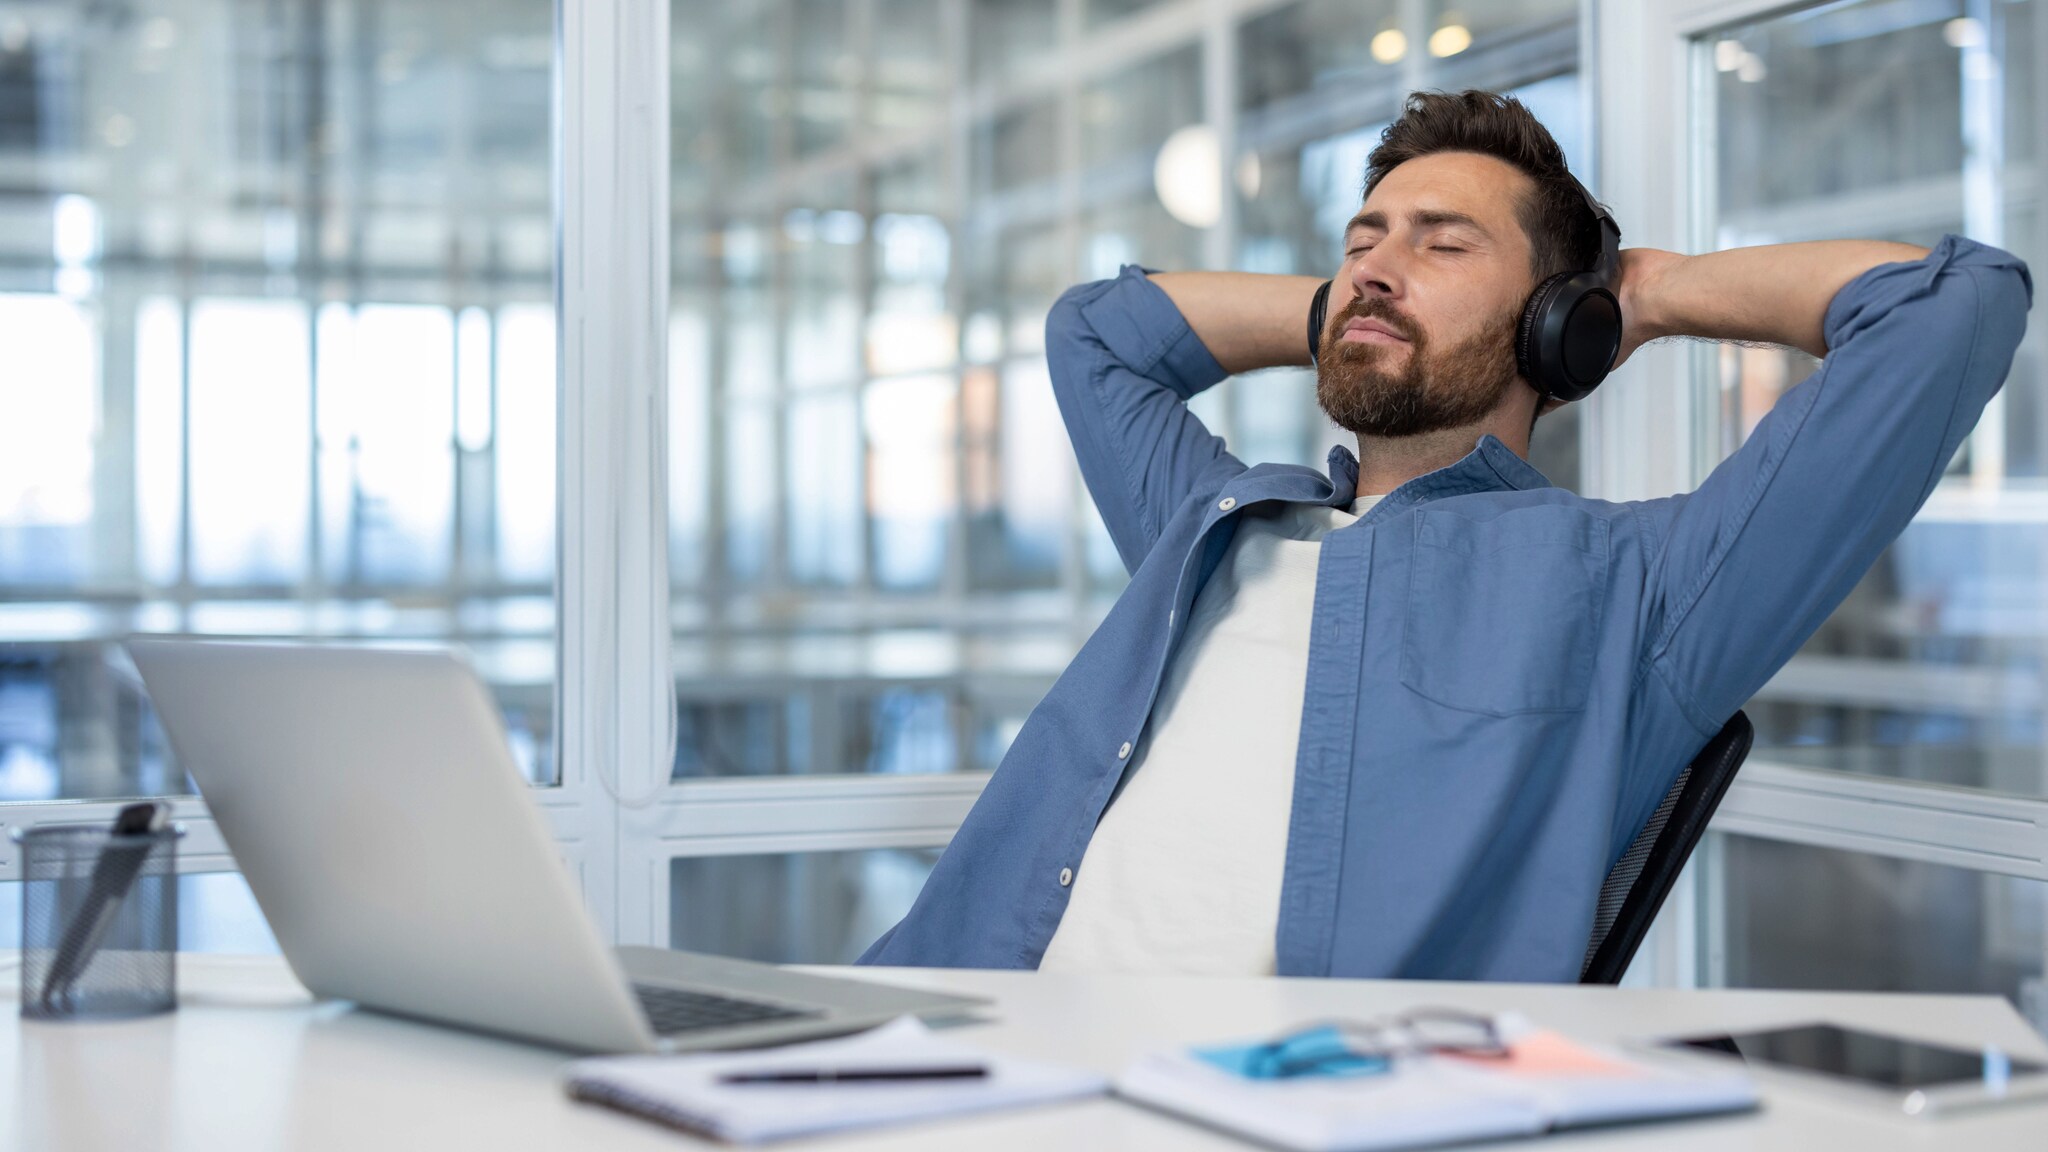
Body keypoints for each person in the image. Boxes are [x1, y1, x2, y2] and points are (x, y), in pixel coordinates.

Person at [857, 90, 2033, 981]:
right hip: (939, 1027)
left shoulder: (1642, 589)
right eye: (1362, 238)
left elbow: (1952, 308)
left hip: (1259, 1099)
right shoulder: (1211, 524)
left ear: (1553, 322)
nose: (1374, 263)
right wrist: (1347, 311)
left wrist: (1646, 294)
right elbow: (1093, 335)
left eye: (1441, 242)